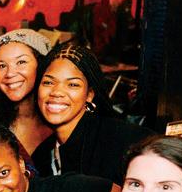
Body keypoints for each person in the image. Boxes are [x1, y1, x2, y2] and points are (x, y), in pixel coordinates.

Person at [30, 41, 152, 182]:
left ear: (89, 95)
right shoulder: (41, 156)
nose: (57, 92)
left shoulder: (125, 141)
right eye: (48, 82)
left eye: (73, 84)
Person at [0, 29, 52, 162]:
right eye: (2, 66)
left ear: (42, 65)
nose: (10, 73)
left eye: (21, 62)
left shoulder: (61, 119)